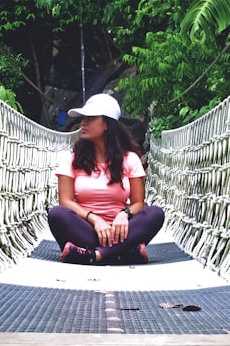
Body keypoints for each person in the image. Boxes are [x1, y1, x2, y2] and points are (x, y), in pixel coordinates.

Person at [48, 93, 165, 265]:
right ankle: (123, 253)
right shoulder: (71, 159)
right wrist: (95, 220)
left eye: (91, 118)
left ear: (107, 125)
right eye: (83, 118)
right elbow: (65, 201)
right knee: (57, 214)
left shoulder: (130, 159)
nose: (83, 123)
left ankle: (94, 255)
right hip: (85, 228)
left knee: (155, 213)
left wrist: (124, 215)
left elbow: (138, 203)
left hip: (122, 230)